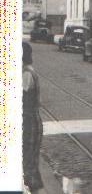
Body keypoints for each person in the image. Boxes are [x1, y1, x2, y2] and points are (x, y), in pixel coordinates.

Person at [22, 41, 44, 192]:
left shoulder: (27, 74)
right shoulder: (26, 71)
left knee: (29, 165)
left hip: (29, 123)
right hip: (28, 122)